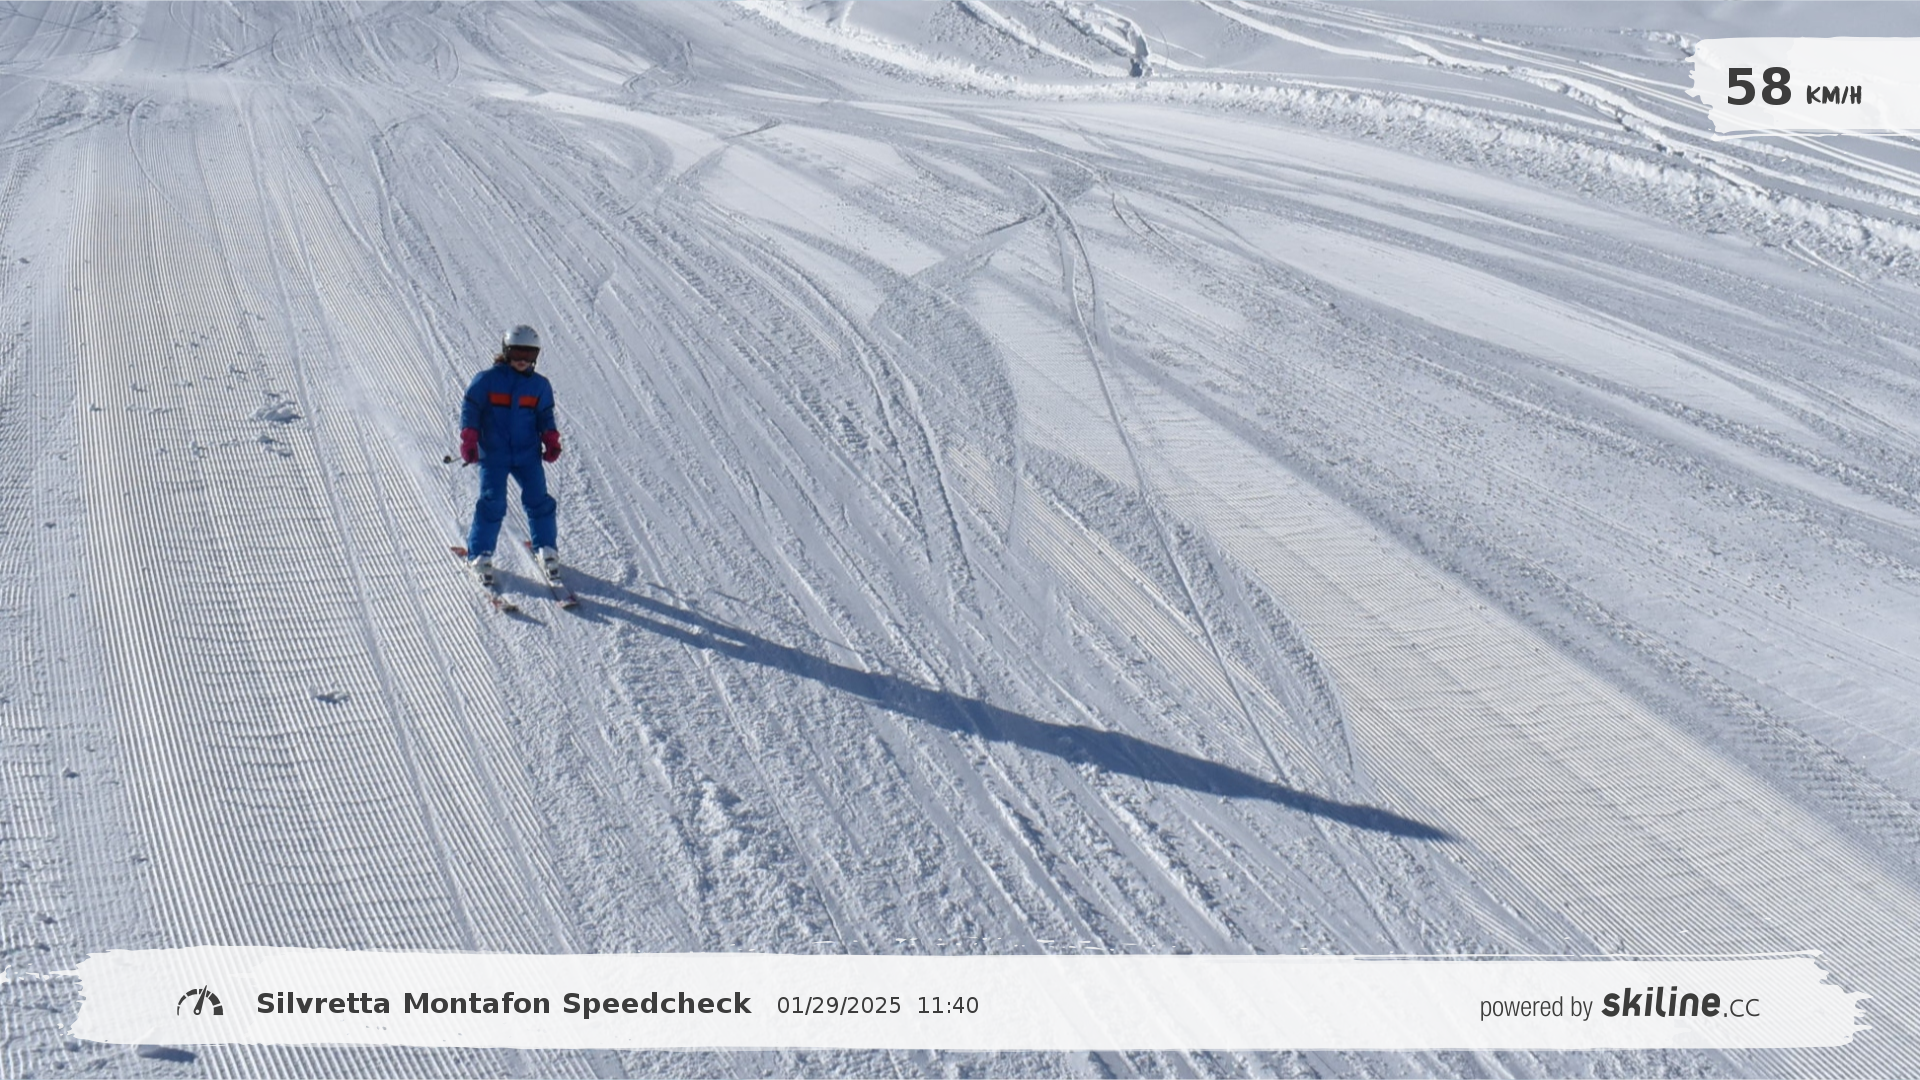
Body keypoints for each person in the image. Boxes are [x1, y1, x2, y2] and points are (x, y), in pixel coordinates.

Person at [459, 324, 563, 585]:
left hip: (527, 454)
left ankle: (546, 549)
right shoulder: (487, 380)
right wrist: (469, 439)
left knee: (539, 501)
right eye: (517, 353)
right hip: (494, 453)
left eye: (529, 354)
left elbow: (545, 415)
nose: (522, 360)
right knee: (492, 502)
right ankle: (479, 555)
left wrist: (550, 440)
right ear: (506, 352)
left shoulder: (539, 385)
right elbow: (471, 408)